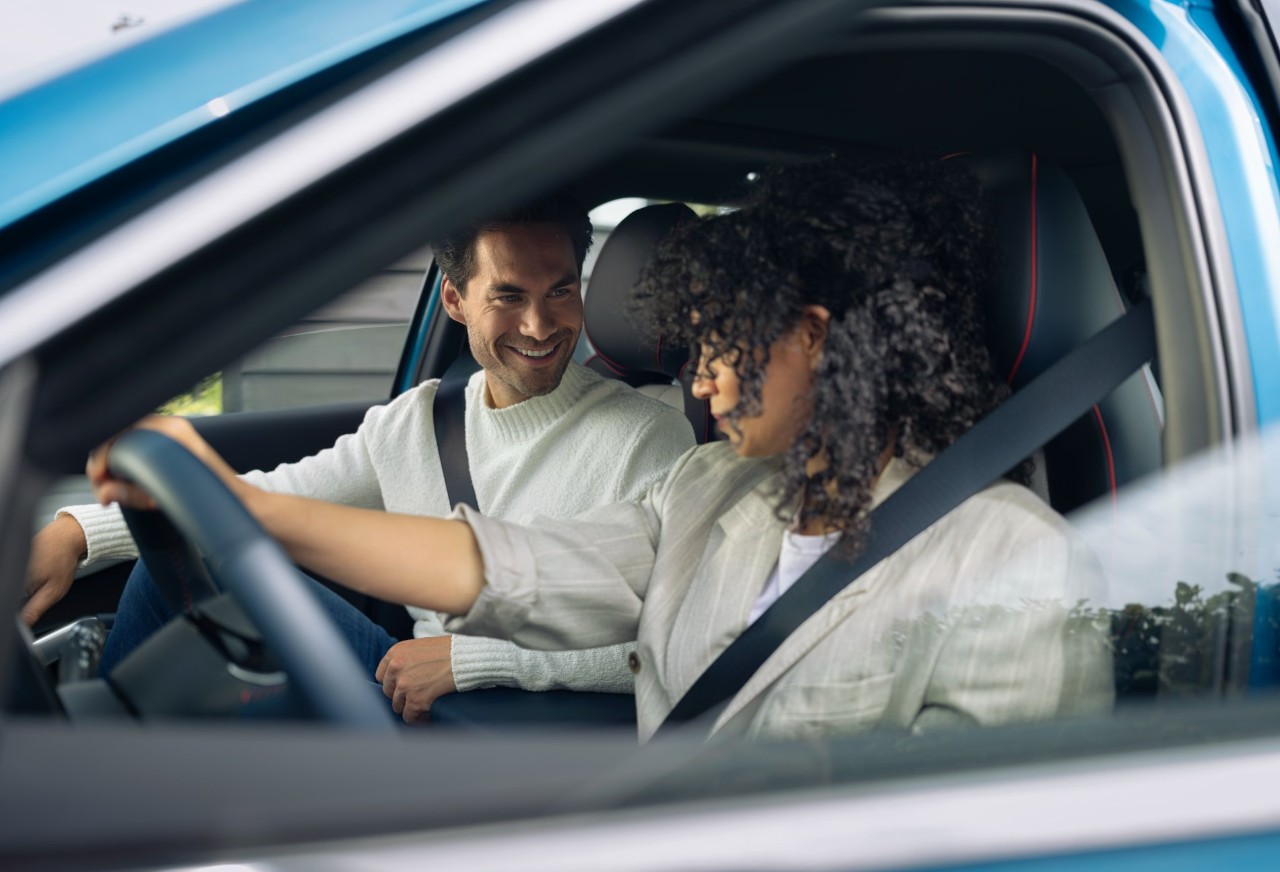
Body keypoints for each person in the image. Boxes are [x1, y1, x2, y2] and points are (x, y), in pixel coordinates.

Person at [88, 158, 1113, 741]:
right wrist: (234, 504)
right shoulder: (714, 490)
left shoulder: (1005, 557)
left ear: (809, 334)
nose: (699, 380)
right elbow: (497, 566)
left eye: (721, 344)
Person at [26, 194, 696, 722]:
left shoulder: (651, 439)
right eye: (508, 297)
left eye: (559, 291)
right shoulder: (419, 422)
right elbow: (276, 499)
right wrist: (78, 532)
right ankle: (95, 761)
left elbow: (673, 645)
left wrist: (472, 662)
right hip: (405, 687)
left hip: (522, 722)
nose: (541, 326)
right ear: (455, 300)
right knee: (174, 565)